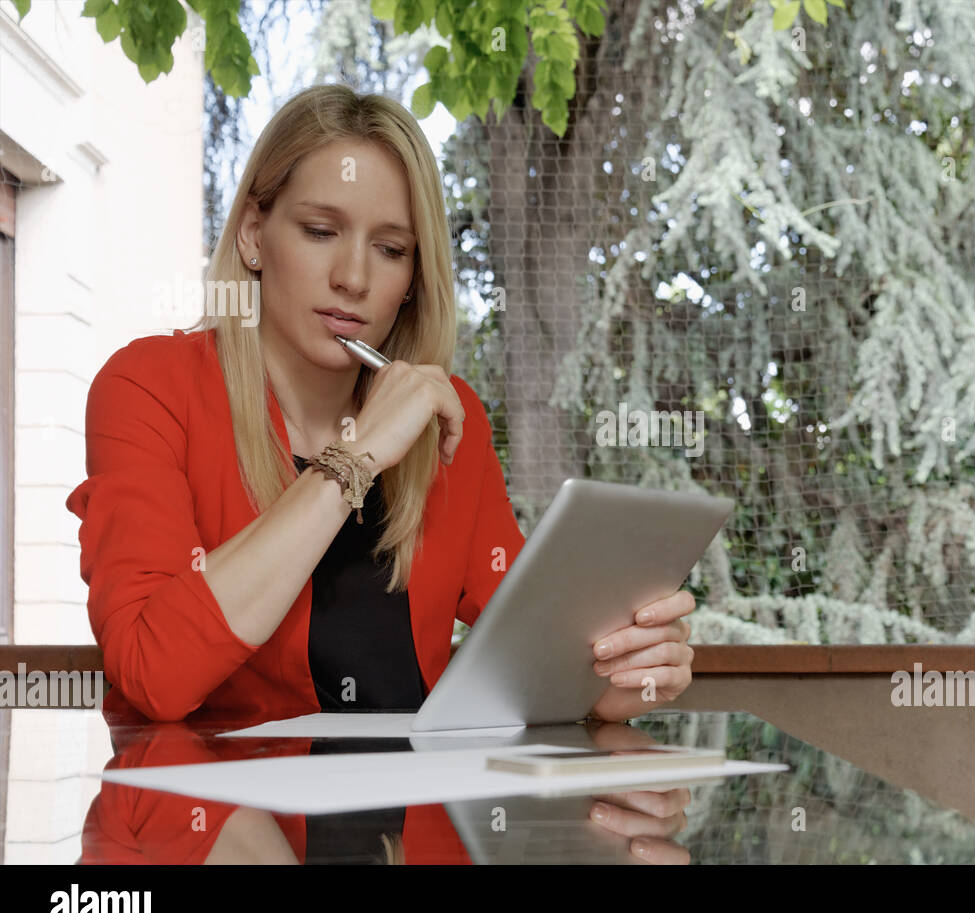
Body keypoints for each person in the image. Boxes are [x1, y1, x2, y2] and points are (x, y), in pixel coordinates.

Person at [65, 83, 697, 728]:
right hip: (219, 817)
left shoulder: (449, 417)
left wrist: (616, 674)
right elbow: (153, 672)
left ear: (413, 282)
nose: (354, 278)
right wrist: (358, 456)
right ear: (254, 236)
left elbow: (531, 646)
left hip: (411, 816)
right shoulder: (147, 387)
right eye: (320, 231)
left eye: (391, 250)